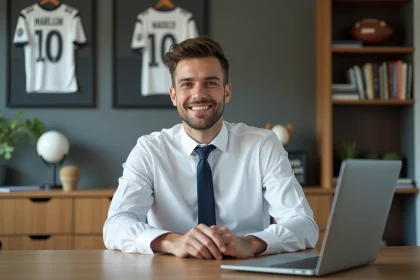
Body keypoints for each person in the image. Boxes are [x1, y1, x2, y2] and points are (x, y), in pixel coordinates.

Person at [103, 36, 319, 260]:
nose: (198, 94)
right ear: (173, 95)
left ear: (227, 92)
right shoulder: (149, 151)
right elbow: (115, 225)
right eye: (187, 84)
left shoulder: (263, 145)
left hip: (246, 271)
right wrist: (172, 241)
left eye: (210, 82)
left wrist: (250, 243)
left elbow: (304, 225)